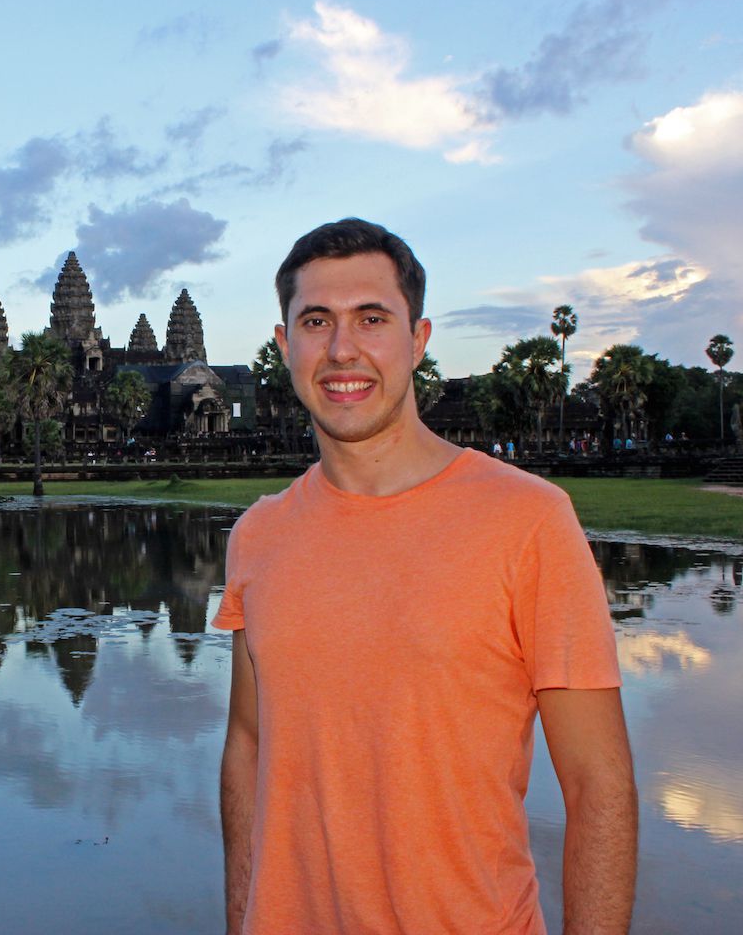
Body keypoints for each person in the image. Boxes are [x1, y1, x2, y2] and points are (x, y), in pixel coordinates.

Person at [217, 218, 636, 935]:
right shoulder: (260, 534)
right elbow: (248, 747)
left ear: (417, 339)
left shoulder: (528, 521)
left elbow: (599, 786)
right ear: (284, 347)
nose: (342, 350)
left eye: (371, 319)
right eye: (316, 321)